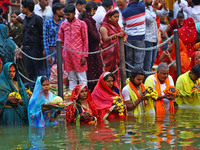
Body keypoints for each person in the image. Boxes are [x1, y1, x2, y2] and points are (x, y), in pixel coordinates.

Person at [58, 4, 88, 90]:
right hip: (67, 56)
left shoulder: (81, 24)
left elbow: (85, 40)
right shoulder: (63, 25)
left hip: (79, 55)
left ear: (74, 13)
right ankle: (73, 97)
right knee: (71, 78)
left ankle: (84, 96)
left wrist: (85, 56)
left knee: (82, 78)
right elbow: (60, 41)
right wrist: (62, 54)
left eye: (68, 14)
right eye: (65, 15)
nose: (66, 17)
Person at [79, 1, 103, 91]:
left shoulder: (86, 19)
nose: (95, 13)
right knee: (94, 70)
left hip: (90, 47)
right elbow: (94, 35)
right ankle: (94, 89)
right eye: (95, 11)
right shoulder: (87, 21)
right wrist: (98, 40)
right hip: (92, 48)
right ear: (92, 10)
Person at [20, 0, 44, 88]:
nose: (22, 9)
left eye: (22, 7)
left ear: (27, 8)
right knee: (29, 70)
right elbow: (25, 35)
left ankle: (38, 88)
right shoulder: (25, 20)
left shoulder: (37, 19)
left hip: (36, 48)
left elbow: (42, 34)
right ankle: (32, 88)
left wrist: (44, 49)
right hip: (27, 49)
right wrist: (21, 49)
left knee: (38, 70)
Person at [100, 9, 127, 85]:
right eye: (115, 17)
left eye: (118, 17)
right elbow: (105, 39)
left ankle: (116, 88)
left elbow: (125, 34)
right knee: (107, 72)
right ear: (109, 17)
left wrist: (124, 38)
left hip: (117, 53)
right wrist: (116, 35)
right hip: (108, 54)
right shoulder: (103, 27)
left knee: (116, 71)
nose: (117, 19)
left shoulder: (117, 26)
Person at [144, 0, 168, 73]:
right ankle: (147, 80)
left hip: (154, 39)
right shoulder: (142, 10)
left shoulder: (151, 9)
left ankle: (149, 78)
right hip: (147, 39)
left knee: (152, 62)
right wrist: (154, 7)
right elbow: (150, 20)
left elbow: (164, 14)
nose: (151, 1)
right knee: (147, 63)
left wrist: (165, 5)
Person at [122, 0, 146, 77]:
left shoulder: (125, 12)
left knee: (129, 61)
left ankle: (130, 78)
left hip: (129, 38)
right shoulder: (142, 7)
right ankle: (137, 79)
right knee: (138, 62)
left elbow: (124, 24)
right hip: (139, 38)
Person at [43, 3, 65, 78]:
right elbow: (45, 39)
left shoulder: (64, 22)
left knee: (62, 71)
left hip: (62, 50)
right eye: (62, 10)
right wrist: (48, 54)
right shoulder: (47, 23)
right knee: (50, 72)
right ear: (57, 11)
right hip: (51, 50)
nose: (63, 12)